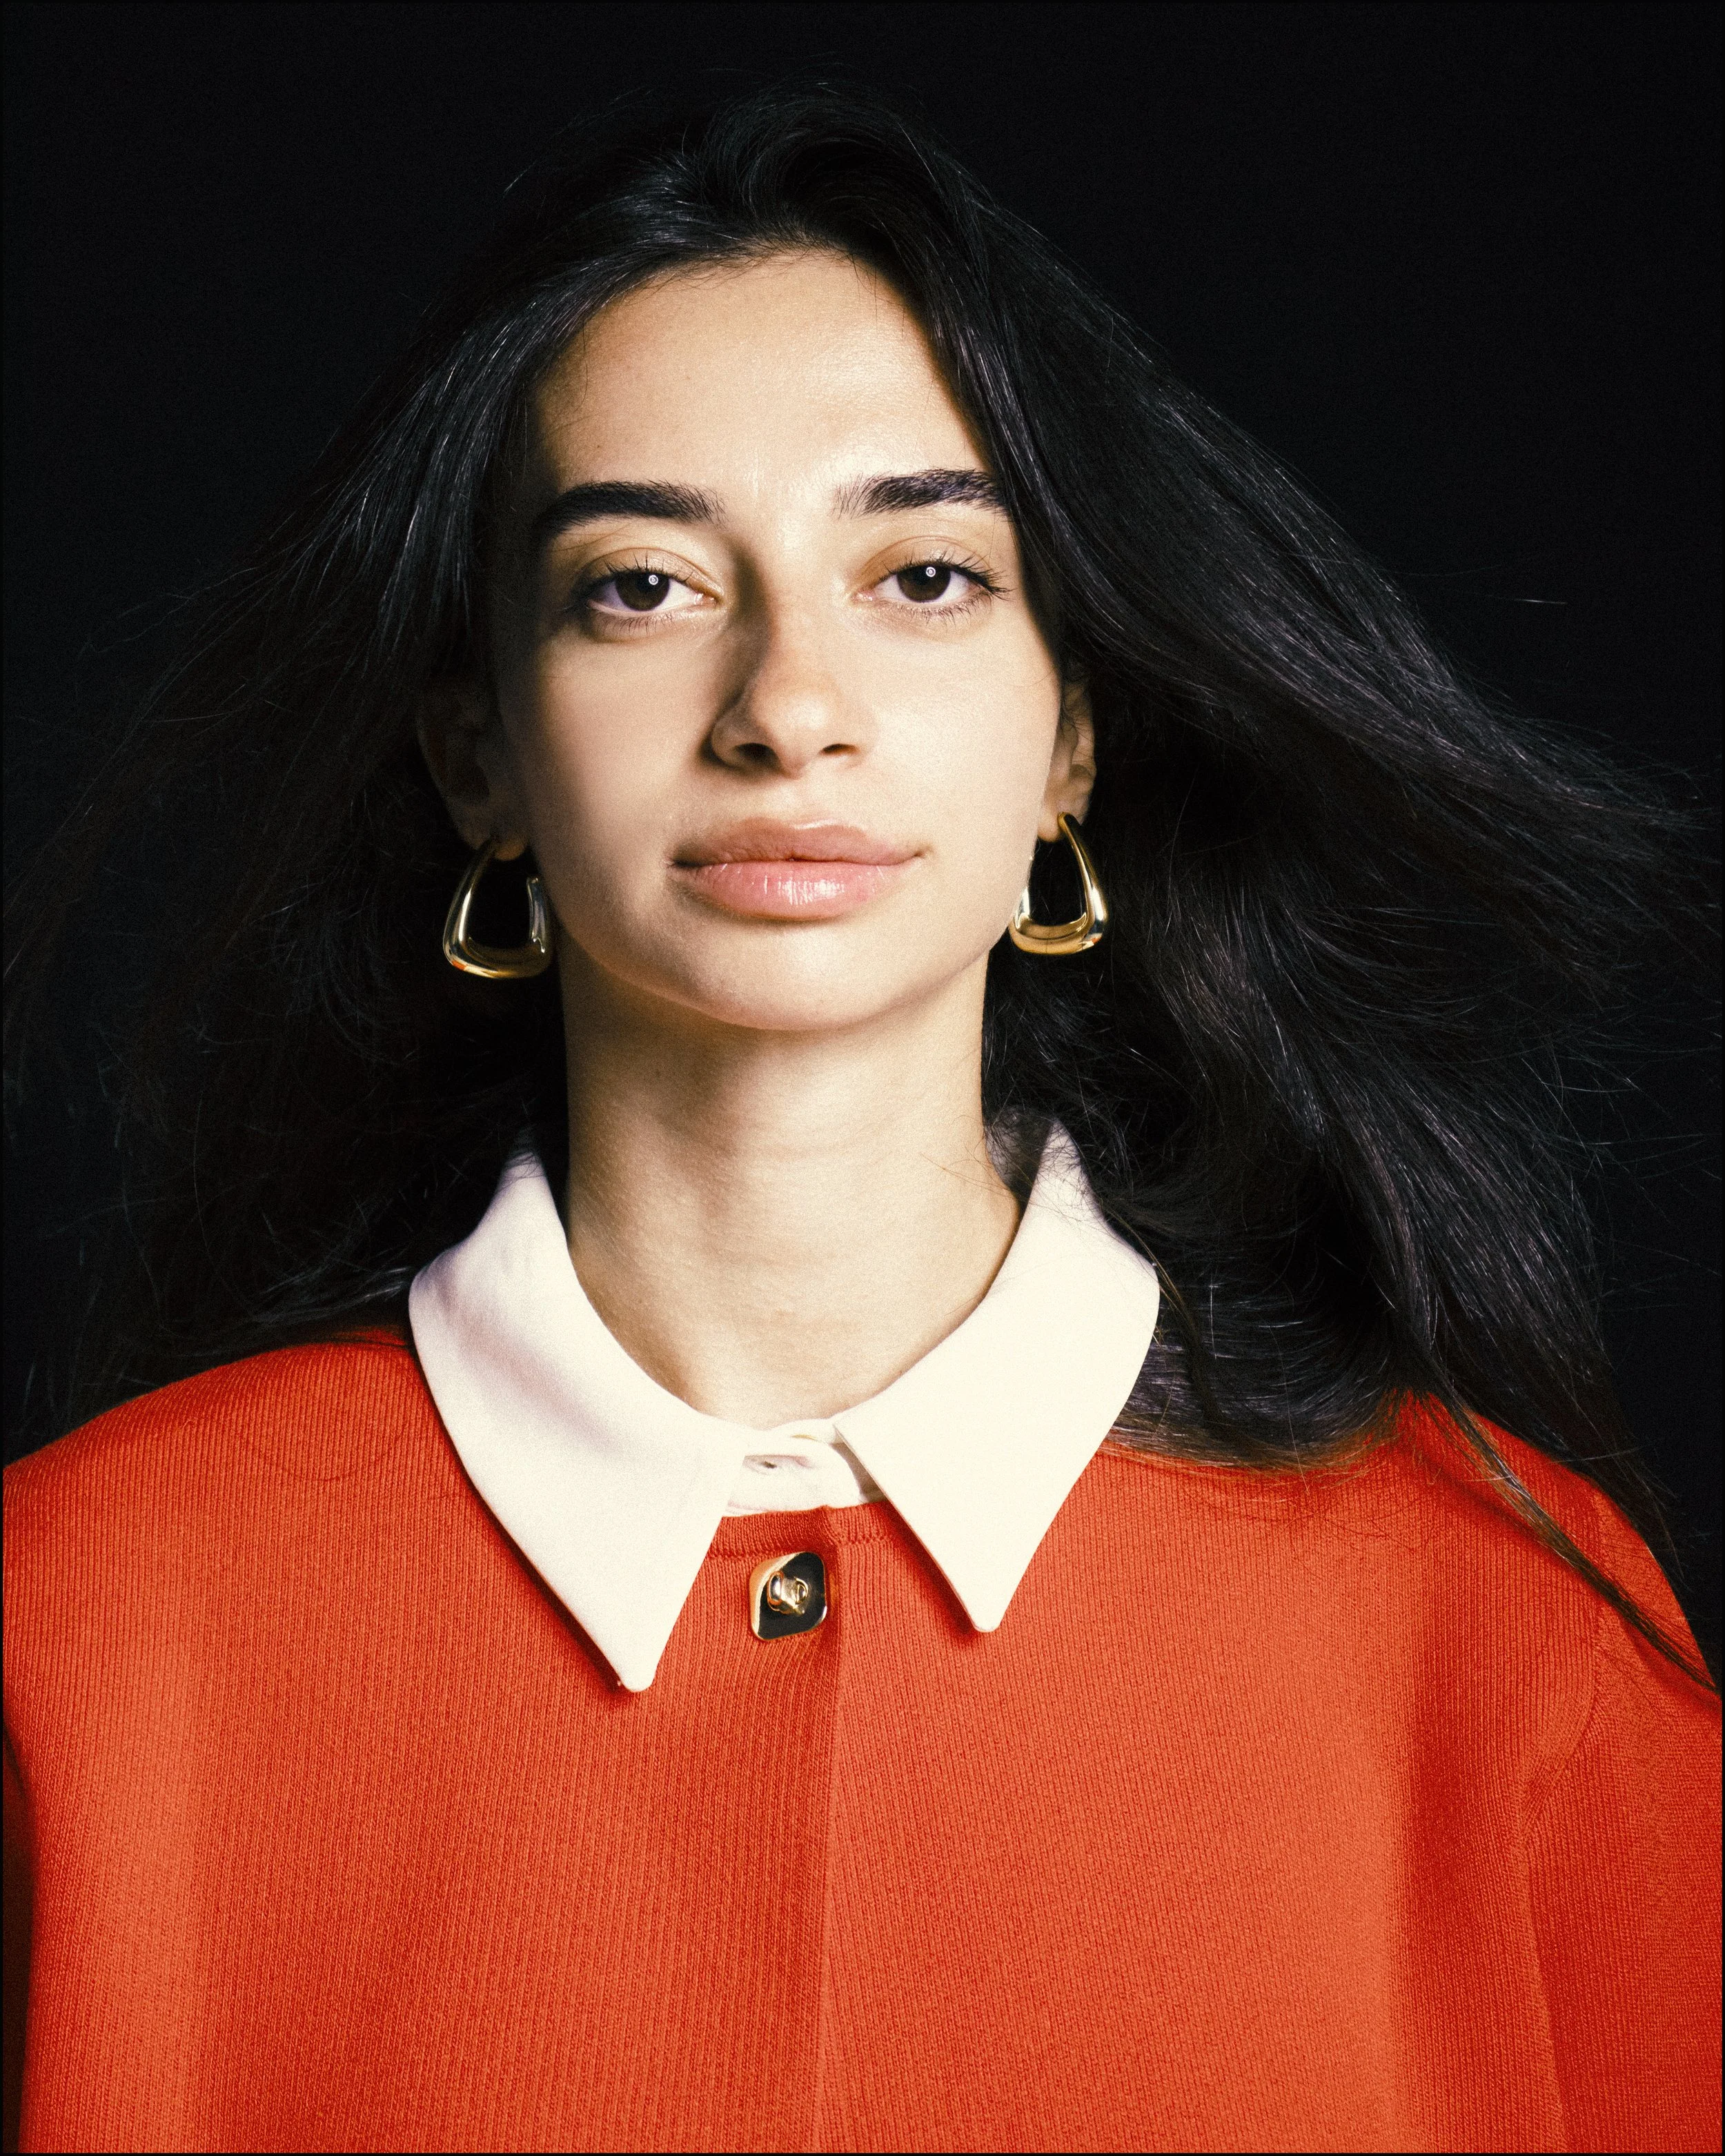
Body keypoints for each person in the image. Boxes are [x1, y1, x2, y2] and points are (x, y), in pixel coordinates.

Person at [3, 84, 1717, 2155]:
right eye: (639, 585)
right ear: (478, 749)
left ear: (1072, 736)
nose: (786, 704)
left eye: (922, 576)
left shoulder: (1490, 1615)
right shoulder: (82, 1613)